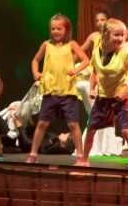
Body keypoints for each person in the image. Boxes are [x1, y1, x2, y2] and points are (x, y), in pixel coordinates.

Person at [78, 19, 128, 169]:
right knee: (91, 128)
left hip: (120, 99)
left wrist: (124, 92)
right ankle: (84, 160)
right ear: (106, 34)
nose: (120, 38)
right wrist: (92, 88)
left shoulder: (125, 53)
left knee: (126, 131)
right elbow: (95, 72)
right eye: (116, 35)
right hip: (103, 98)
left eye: (122, 35)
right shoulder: (96, 52)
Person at [27, 14, 89, 164]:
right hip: (50, 91)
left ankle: (80, 156)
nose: (55, 31)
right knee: (42, 123)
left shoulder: (72, 44)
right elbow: (35, 60)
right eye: (53, 28)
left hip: (67, 91)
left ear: (66, 30)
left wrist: (75, 70)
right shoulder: (46, 45)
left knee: (73, 124)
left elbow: (85, 60)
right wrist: (35, 73)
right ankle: (33, 154)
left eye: (59, 28)